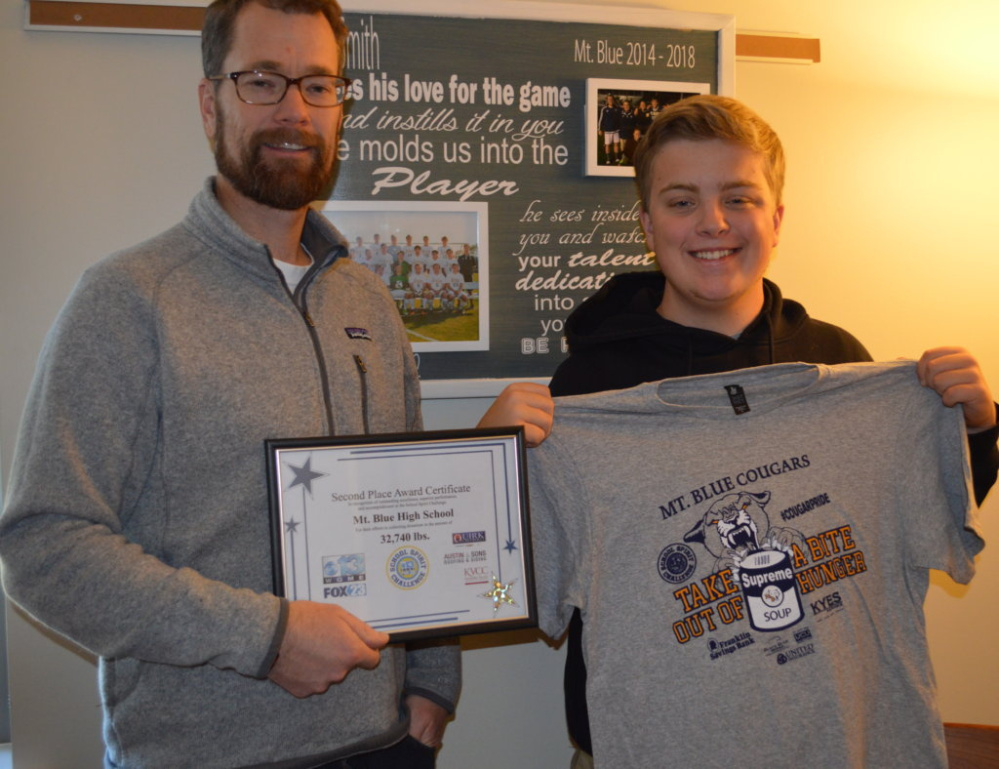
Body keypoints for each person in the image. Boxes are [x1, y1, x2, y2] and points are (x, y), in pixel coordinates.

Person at [0, 0, 553, 767]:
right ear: (209, 101)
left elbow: (408, 503)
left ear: (340, 106)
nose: (294, 109)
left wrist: (432, 684)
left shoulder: (368, 300)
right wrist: (266, 638)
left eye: (318, 84)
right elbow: (43, 548)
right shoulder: (129, 298)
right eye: (262, 80)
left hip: (385, 741)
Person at [544, 95, 997, 768]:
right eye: (680, 201)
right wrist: (490, 463)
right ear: (646, 222)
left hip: (843, 745)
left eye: (738, 197)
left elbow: (923, 516)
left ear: (776, 219)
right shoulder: (587, 392)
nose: (712, 222)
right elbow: (513, 594)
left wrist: (978, 429)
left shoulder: (844, 363)